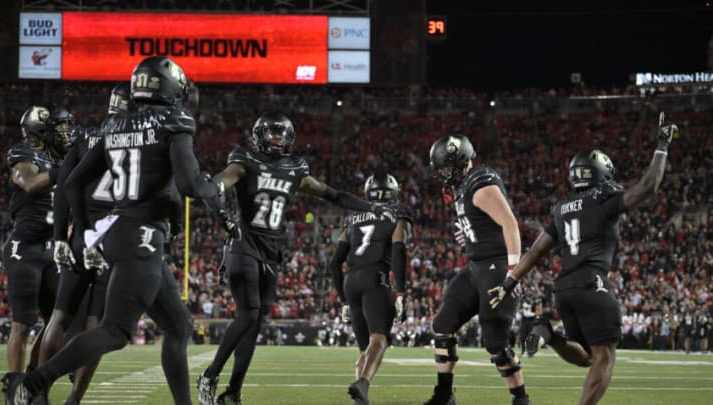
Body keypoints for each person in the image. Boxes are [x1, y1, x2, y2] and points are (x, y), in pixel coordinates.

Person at [14, 56, 223, 405]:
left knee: (178, 326)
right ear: (169, 87)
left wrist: (85, 231)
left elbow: (75, 180)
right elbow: (189, 186)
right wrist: (216, 187)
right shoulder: (174, 120)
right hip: (140, 236)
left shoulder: (114, 125)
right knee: (115, 331)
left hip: (120, 231)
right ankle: (33, 382)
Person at [196, 110, 392, 405]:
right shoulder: (245, 160)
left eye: (281, 134)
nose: (276, 140)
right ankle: (210, 375)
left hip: (271, 251)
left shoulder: (296, 168)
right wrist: (216, 201)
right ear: (259, 136)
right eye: (271, 134)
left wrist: (370, 207)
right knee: (248, 313)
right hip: (243, 243)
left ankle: (233, 392)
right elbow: (219, 183)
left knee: (256, 322)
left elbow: (334, 195)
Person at [488, 112, 678, 405]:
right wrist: (662, 146)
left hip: (564, 288)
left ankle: (548, 334)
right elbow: (648, 187)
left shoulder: (562, 208)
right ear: (601, 171)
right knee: (605, 357)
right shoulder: (603, 198)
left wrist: (510, 282)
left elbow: (537, 250)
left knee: (588, 356)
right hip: (592, 283)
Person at [36, 83, 133, 405]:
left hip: (81, 234)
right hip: (115, 235)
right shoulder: (138, 142)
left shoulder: (85, 137)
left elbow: (65, 186)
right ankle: (75, 397)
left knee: (59, 315)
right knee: (97, 323)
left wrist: (62, 236)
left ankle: (38, 394)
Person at [425, 133, 531, 405]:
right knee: (442, 325)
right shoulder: (463, 186)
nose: (444, 174)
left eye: (447, 167)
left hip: (496, 267)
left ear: (460, 161)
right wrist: (469, 237)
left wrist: (513, 270)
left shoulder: (480, 184)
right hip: (476, 267)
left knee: (495, 342)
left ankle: (521, 399)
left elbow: (509, 223)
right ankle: (444, 395)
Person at [1, 104, 73, 404]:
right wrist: (62, 170)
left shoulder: (63, 160)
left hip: (50, 248)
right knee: (22, 323)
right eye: (60, 127)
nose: (66, 134)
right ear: (42, 129)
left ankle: (33, 379)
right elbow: (30, 183)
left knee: (59, 319)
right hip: (25, 247)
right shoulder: (24, 155)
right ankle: (15, 389)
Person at [328, 173, 413, 405]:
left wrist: (344, 300)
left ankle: (360, 400)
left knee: (365, 351)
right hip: (375, 278)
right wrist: (402, 291)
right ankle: (363, 384)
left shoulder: (354, 217)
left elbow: (335, 263)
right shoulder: (399, 212)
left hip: (350, 281)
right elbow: (398, 249)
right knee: (380, 339)